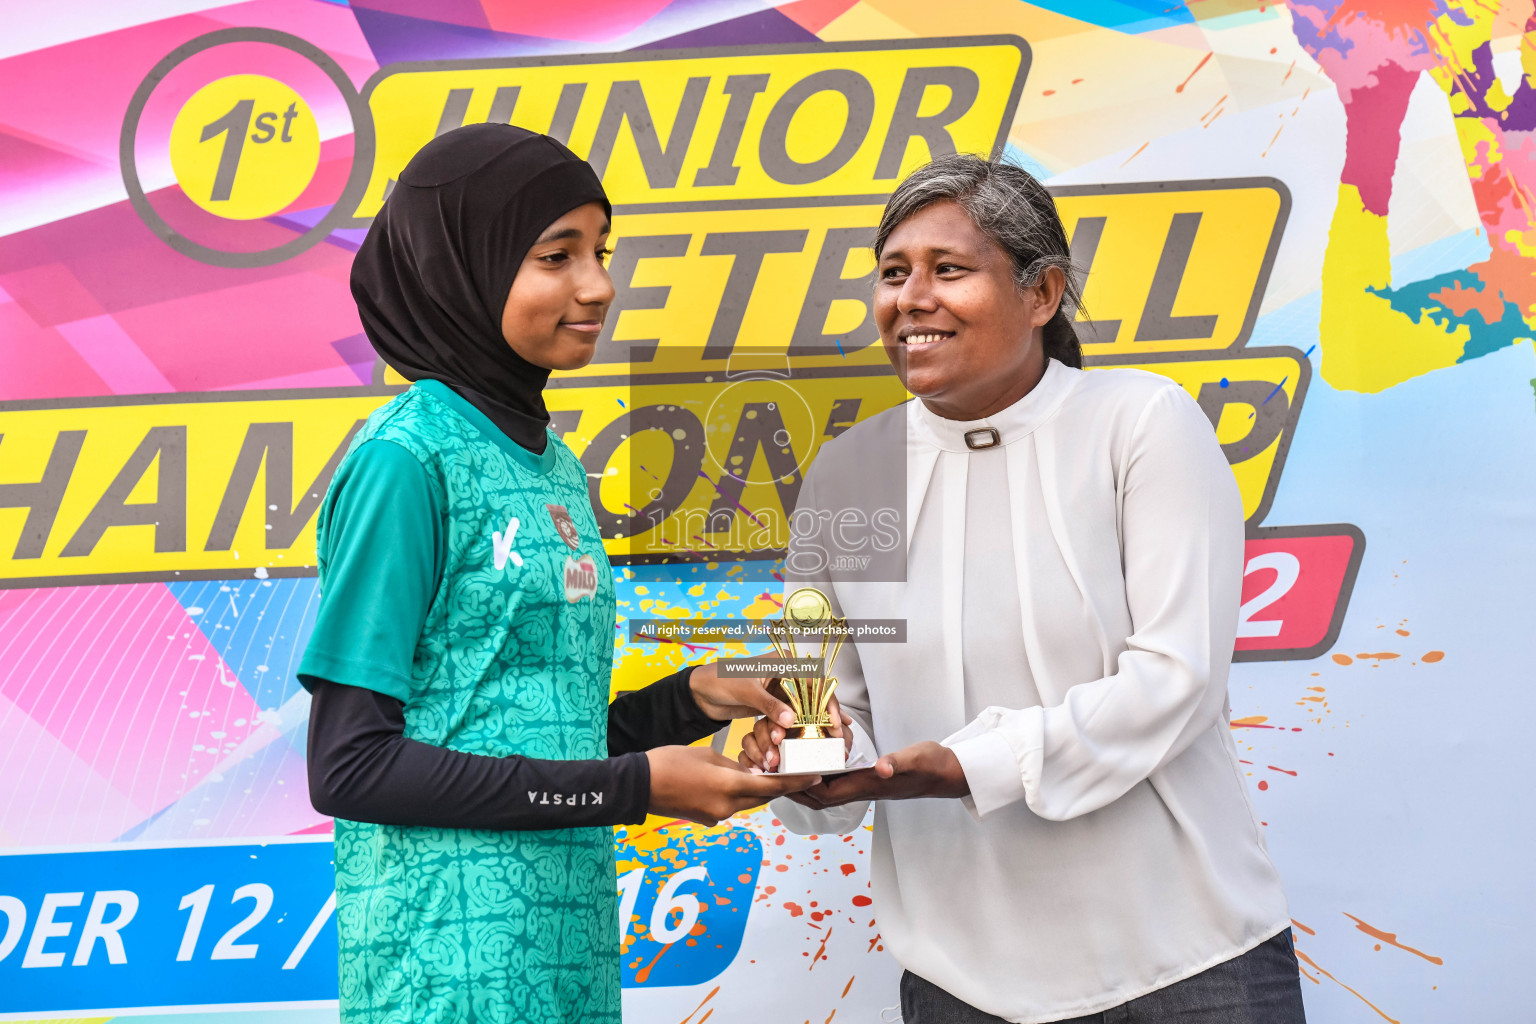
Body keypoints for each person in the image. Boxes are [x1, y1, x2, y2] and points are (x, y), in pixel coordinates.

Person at [741, 155, 1306, 1023]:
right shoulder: (850, 473)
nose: (910, 298)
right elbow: (818, 699)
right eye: (894, 274)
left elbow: (1176, 679)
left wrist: (971, 764)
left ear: (1042, 294)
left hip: (1188, 965)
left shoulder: (1140, 424)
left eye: (949, 270)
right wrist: (803, 758)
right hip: (959, 984)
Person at [298, 123, 816, 1024]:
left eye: (601, 251)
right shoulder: (406, 461)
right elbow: (350, 767)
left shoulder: (553, 465)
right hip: (447, 972)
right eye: (555, 255)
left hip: (564, 958)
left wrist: (695, 699)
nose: (597, 285)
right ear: (462, 267)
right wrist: (638, 788)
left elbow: (528, 730)